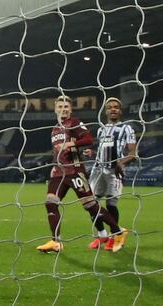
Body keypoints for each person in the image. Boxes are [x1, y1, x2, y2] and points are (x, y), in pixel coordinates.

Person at [36, 96, 129, 253]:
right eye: (60, 107)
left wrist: (72, 143)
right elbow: (57, 150)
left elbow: (88, 140)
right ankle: (55, 242)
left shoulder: (75, 123)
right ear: (55, 109)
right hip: (59, 172)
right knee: (50, 203)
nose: (63, 109)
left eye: (66, 107)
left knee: (91, 206)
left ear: (71, 110)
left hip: (74, 171)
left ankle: (118, 231)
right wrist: (54, 165)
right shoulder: (55, 129)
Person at [84, 97, 138, 250]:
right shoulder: (101, 129)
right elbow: (104, 152)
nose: (113, 109)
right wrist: (93, 153)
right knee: (90, 203)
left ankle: (114, 237)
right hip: (98, 170)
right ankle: (102, 234)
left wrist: (120, 163)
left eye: (116, 107)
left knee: (110, 203)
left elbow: (133, 153)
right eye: (110, 107)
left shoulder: (127, 128)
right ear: (106, 111)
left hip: (115, 171)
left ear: (120, 111)